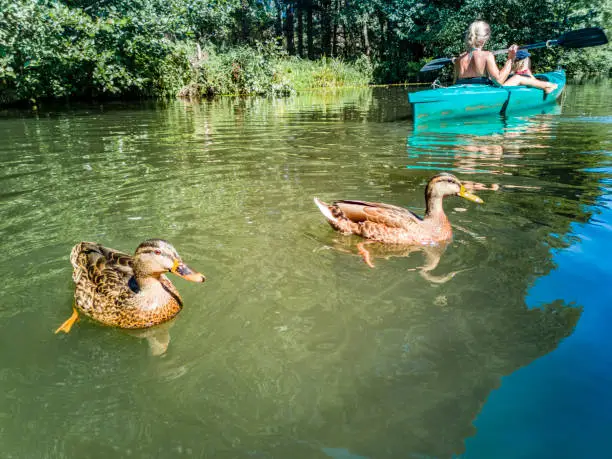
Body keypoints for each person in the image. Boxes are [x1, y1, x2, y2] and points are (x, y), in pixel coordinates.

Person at [454, 20, 517, 86]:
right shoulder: (487, 55)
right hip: (480, 94)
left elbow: (455, 83)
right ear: (484, 39)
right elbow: (499, 81)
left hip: (463, 93)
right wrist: (510, 59)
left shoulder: (459, 59)